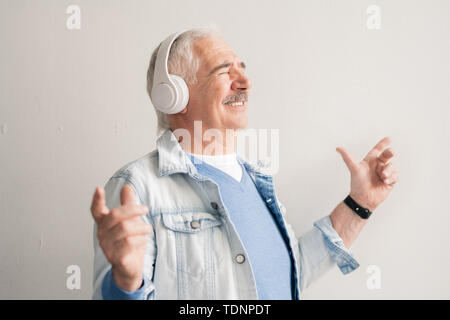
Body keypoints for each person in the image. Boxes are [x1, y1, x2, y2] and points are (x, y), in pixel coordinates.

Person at [90, 27, 399, 300]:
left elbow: (290, 277)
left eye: (243, 69)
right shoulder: (138, 188)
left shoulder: (256, 180)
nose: (245, 82)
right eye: (224, 71)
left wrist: (361, 202)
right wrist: (126, 284)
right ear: (173, 95)